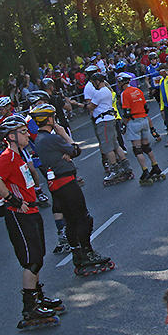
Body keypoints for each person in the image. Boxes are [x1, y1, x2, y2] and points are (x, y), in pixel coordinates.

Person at [0, 115, 64, 330]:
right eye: (22, 132)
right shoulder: (8, 156)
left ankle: (38, 298)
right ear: (11, 136)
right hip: (19, 214)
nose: (27, 135)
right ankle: (29, 307)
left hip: (31, 210)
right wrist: (13, 200)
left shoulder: (19, 154)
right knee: (32, 260)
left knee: (38, 256)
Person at [30, 104, 113, 275]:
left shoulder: (39, 139)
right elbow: (76, 150)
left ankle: (77, 253)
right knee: (83, 218)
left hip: (56, 185)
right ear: (49, 119)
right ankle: (87, 251)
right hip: (66, 182)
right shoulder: (52, 138)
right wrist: (64, 135)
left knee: (71, 220)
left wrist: (67, 153)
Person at [118, 73, 163, 185]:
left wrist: (124, 125)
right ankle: (155, 166)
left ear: (122, 82)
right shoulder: (138, 91)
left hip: (134, 122)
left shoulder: (124, 93)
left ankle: (145, 171)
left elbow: (127, 112)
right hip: (144, 120)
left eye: (119, 82)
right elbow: (145, 107)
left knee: (137, 149)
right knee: (146, 146)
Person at [85, 73, 131, 183]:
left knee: (107, 147)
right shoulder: (107, 90)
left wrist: (77, 104)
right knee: (115, 144)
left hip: (103, 121)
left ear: (97, 81)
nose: (93, 85)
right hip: (109, 119)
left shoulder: (100, 92)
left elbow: (91, 106)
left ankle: (115, 170)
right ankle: (126, 166)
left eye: (93, 82)